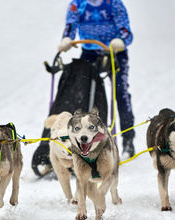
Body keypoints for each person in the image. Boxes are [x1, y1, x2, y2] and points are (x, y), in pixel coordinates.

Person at [58, 0, 135, 158]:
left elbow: (126, 30)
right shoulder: (77, 4)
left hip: (115, 52)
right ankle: (84, 139)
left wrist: (121, 40)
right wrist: (66, 38)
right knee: (84, 91)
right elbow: (71, 25)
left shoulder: (114, 3)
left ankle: (128, 139)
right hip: (89, 52)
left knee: (120, 92)